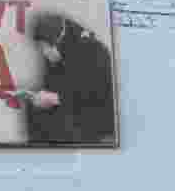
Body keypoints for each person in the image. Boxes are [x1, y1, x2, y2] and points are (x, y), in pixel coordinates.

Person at [21, 12, 116, 145]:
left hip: (95, 113)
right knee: (34, 107)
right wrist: (40, 96)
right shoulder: (53, 41)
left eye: (45, 48)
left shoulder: (91, 50)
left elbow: (93, 94)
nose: (43, 52)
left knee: (60, 118)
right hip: (70, 100)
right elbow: (52, 83)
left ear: (57, 41)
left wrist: (56, 98)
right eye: (40, 47)